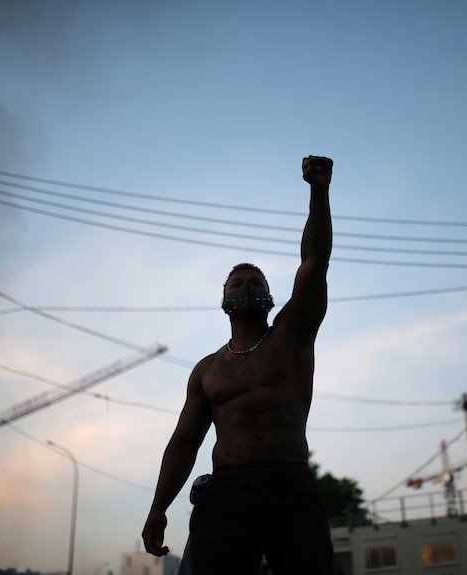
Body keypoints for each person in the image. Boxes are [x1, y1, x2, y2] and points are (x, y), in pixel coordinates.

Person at [142, 156, 335, 574]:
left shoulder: (292, 334)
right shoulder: (208, 370)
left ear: (270, 296)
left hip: (290, 486)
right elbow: (184, 441)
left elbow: (314, 262)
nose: (248, 287)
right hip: (226, 492)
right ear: (224, 301)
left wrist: (319, 192)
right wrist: (159, 508)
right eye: (237, 283)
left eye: (257, 283)